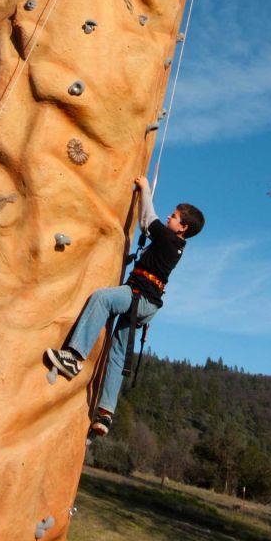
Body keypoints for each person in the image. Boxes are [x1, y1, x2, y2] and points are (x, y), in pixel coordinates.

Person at [45, 176, 205, 437]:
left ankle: (74, 357)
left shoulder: (170, 240)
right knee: (119, 351)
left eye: (174, 216)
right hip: (146, 303)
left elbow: (147, 219)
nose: (169, 217)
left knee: (102, 298)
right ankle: (105, 413)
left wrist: (145, 190)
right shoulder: (175, 245)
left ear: (183, 227)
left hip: (138, 296)